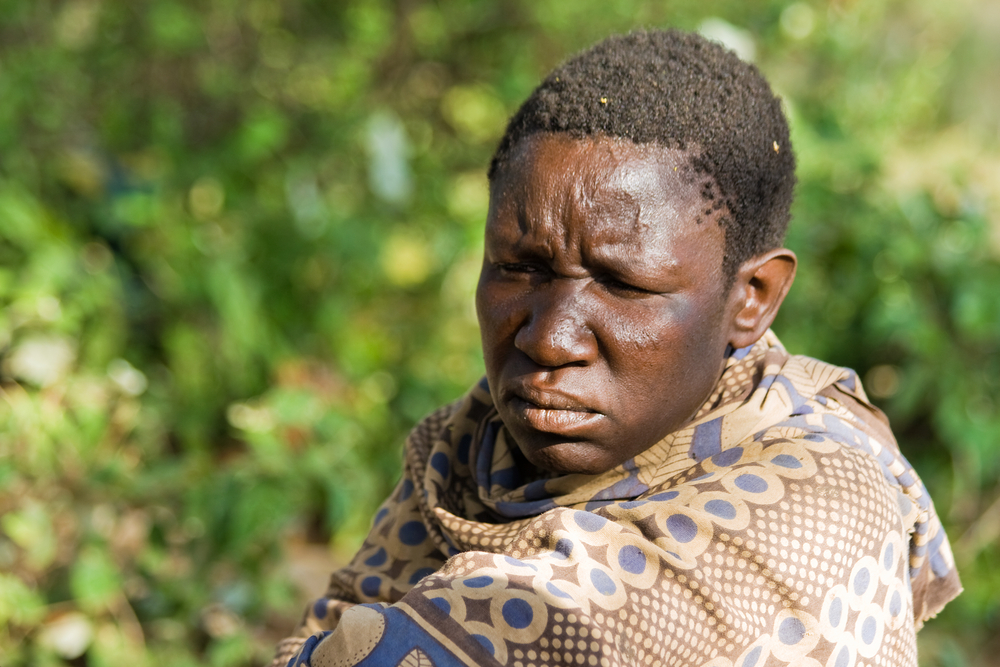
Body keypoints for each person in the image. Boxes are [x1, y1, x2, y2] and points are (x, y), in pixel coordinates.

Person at [269, 29, 960, 667]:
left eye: (622, 284)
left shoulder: (819, 499)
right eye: (519, 267)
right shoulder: (472, 453)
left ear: (752, 297)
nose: (549, 337)